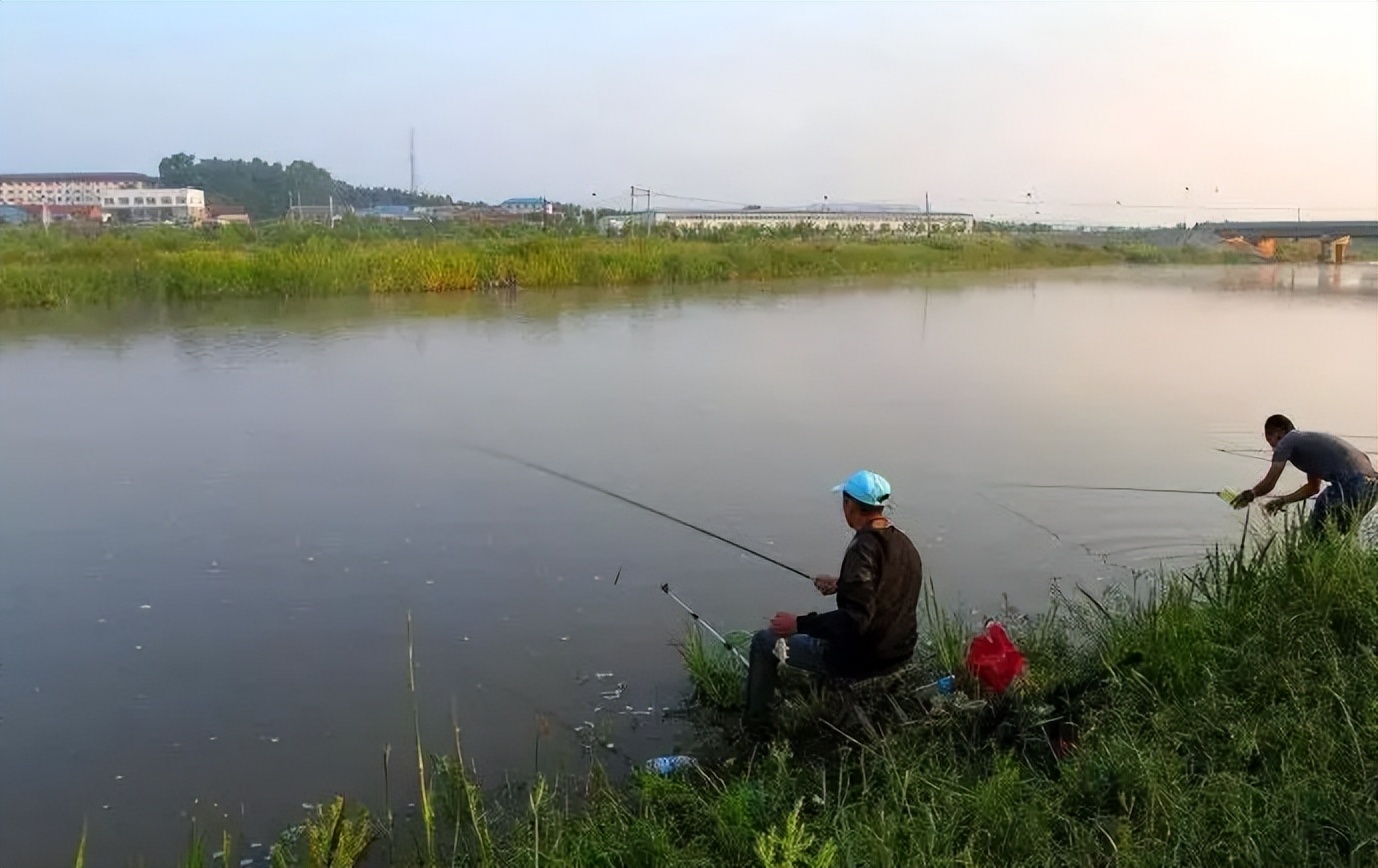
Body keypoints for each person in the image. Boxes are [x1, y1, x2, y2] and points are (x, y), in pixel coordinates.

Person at [743, 470, 924, 732]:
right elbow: (887, 587)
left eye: (844, 502)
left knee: (763, 642)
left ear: (849, 505)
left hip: (865, 658)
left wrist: (799, 623)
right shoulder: (904, 544)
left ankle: (755, 729)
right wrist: (843, 583)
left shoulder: (862, 548)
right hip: (901, 651)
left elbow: (855, 622)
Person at [1231, 414, 1378, 536]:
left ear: (1279, 432)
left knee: (1313, 537)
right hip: (1372, 488)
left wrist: (1251, 494)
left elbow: (1270, 483)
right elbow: (1313, 488)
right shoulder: (1306, 444)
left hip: (1352, 484)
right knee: (1341, 537)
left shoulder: (1287, 441)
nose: (1273, 446)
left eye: (1270, 439)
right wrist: (1283, 501)